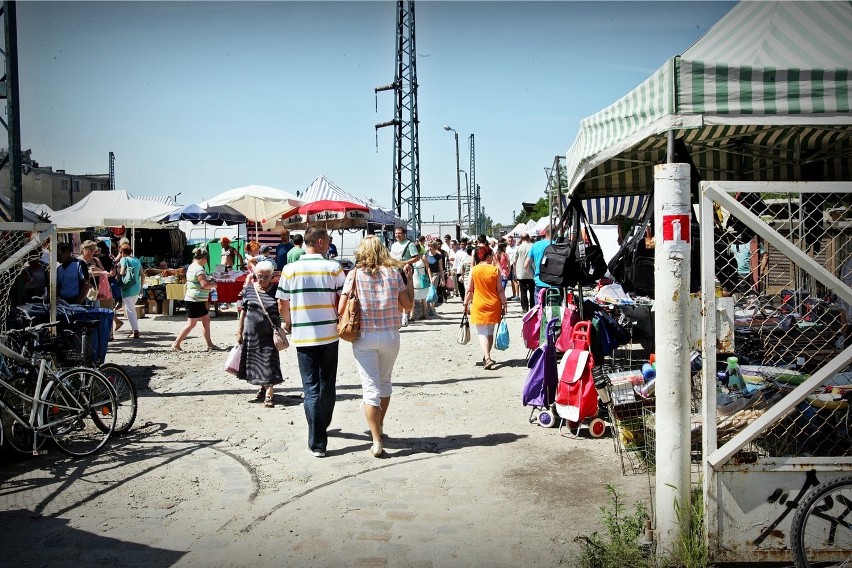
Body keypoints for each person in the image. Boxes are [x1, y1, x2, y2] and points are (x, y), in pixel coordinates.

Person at [337, 235, 413, 457]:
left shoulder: (354, 274)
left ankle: (376, 439)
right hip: (390, 335)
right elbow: (407, 307)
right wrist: (409, 283)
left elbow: (342, 307)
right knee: (385, 383)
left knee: (370, 389)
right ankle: (379, 427)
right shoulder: (393, 273)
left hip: (365, 336)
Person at [277, 227, 345, 458]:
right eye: (328, 240)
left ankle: (317, 437)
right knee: (327, 385)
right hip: (329, 333)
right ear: (319, 241)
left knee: (310, 387)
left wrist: (289, 324)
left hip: (304, 336)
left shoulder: (290, 269)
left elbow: (282, 304)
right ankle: (319, 433)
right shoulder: (333, 268)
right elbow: (343, 298)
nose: (329, 244)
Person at [235, 260, 284, 408]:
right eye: (259, 276)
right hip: (252, 335)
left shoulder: (277, 291)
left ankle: (269, 393)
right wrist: (239, 331)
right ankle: (263, 387)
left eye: (265, 277)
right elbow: (243, 312)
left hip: (269, 335)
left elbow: (283, 309)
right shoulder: (249, 290)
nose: (262, 280)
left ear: (272, 277)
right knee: (256, 363)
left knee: (269, 362)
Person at [463, 245, 507, 370]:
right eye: (492, 255)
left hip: (479, 304)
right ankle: (487, 356)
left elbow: (469, 290)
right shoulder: (495, 270)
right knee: (490, 332)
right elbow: (500, 290)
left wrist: (465, 304)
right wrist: (504, 303)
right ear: (488, 257)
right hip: (494, 304)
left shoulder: (474, 270)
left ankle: (487, 357)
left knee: (482, 332)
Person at [172, 247, 219, 351]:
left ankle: (210, 344)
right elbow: (204, 285)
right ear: (203, 258)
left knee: (206, 320)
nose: (206, 261)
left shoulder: (192, 266)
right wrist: (214, 285)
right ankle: (176, 344)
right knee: (191, 324)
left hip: (196, 299)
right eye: (206, 259)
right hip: (195, 300)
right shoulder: (199, 268)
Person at [389, 227, 420, 326]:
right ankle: (399, 314)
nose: (397, 235)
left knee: (405, 292)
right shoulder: (393, 245)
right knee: (396, 292)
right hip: (394, 270)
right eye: (396, 233)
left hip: (405, 270)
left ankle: (405, 315)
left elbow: (416, 257)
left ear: (404, 234)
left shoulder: (409, 244)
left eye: (399, 233)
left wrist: (405, 262)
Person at [117, 244, 143, 339]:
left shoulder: (124, 259)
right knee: (132, 309)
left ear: (122, 252)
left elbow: (122, 271)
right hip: (136, 287)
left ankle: (135, 331)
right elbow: (142, 275)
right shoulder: (137, 260)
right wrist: (141, 287)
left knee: (129, 310)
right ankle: (135, 329)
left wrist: (118, 276)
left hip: (127, 287)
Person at [525, 226, 552, 304]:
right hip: (555, 283)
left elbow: (526, 265)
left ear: (545, 233)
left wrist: (534, 277)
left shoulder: (535, 245)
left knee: (540, 311)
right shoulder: (557, 244)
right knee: (555, 313)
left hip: (540, 281)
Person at [514, 232, 535, 311]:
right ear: (528, 238)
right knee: (532, 291)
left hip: (521, 272)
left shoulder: (518, 248)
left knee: (523, 292)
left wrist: (515, 272)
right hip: (531, 272)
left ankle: (525, 308)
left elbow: (514, 260)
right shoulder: (532, 246)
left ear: (521, 239)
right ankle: (533, 308)